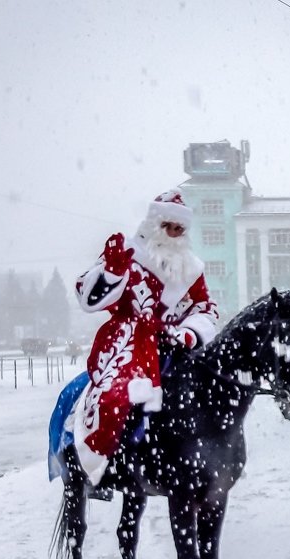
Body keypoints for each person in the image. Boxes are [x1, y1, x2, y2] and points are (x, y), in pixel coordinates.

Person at [72, 189, 219, 499]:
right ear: (156, 224)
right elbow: (88, 298)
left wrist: (188, 334)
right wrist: (111, 274)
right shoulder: (128, 252)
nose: (177, 234)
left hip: (174, 342)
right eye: (171, 227)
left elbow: (206, 310)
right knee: (116, 395)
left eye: (182, 229)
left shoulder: (191, 269)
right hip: (127, 339)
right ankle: (102, 466)